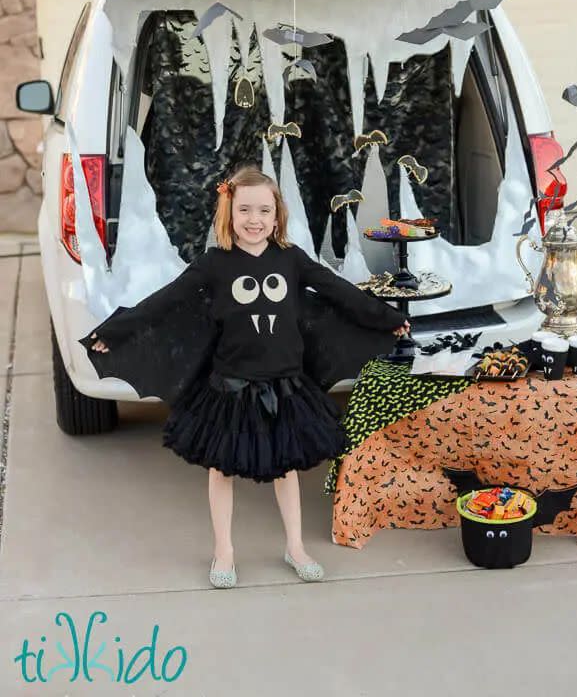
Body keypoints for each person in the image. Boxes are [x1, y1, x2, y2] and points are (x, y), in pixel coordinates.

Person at [87, 165, 410, 588]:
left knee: (286, 467)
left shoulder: (291, 259)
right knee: (221, 468)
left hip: (286, 385)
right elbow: (164, 301)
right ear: (229, 213)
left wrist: (386, 318)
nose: (254, 220)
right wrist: (114, 331)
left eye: (263, 210)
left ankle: (295, 546)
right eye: (244, 210)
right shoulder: (214, 265)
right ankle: (224, 550)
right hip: (231, 387)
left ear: (277, 216)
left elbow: (338, 291)